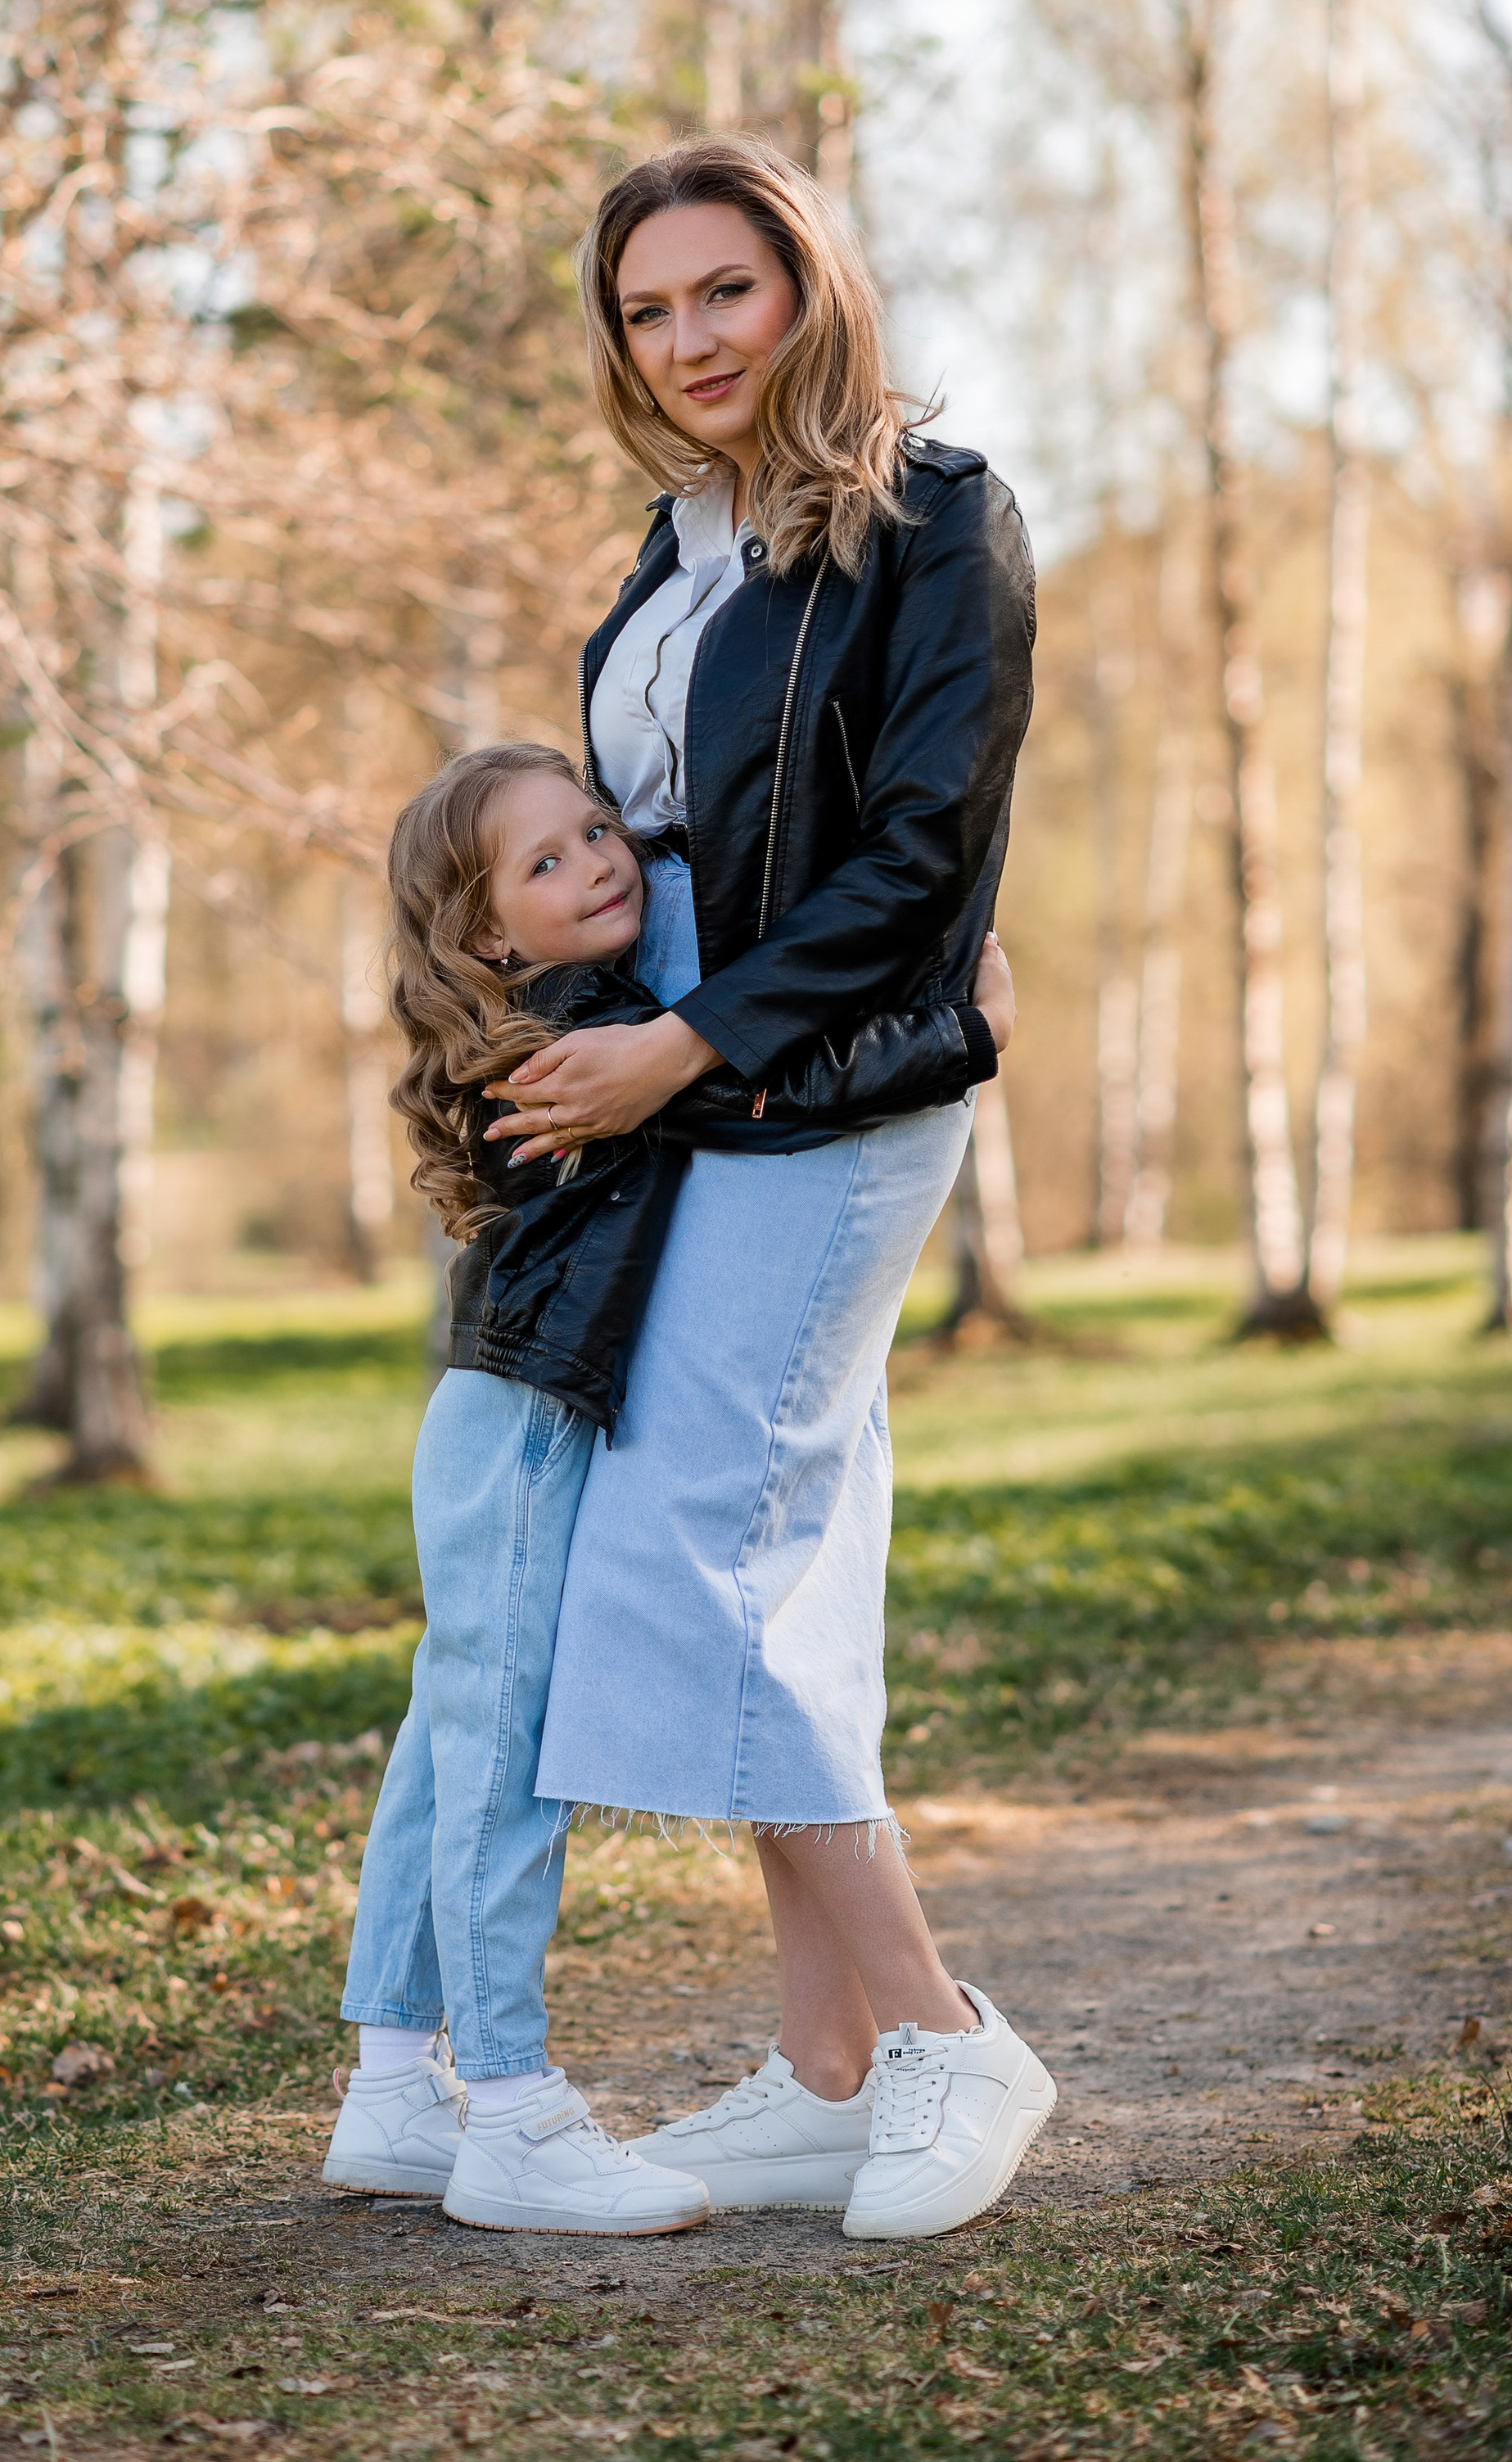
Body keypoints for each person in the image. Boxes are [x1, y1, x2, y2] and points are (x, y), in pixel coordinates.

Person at [484, 133, 1055, 2241]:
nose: (686, 339)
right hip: (671, 1069)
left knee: (691, 1559)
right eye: (645, 309)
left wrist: (691, 1036)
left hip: (815, 1075)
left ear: (804, 287)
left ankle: (936, 2034)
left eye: (722, 290)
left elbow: (916, 852)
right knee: (772, 1559)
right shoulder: (676, 541)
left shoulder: (935, 517)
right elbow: (644, 840)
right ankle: (825, 2068)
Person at [323, 739, 1015, 2235]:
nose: (603, 860)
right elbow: (731, 1099)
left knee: (454, 1730)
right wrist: (953, 1028)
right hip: (525, 1428)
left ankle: (390, 2078)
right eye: (549, 863)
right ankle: (506, 2103)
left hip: (516, 1412)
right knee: (500, 1747)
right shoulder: (576, 1032)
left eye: (595, 827)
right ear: (492, 935)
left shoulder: (577, 1009)